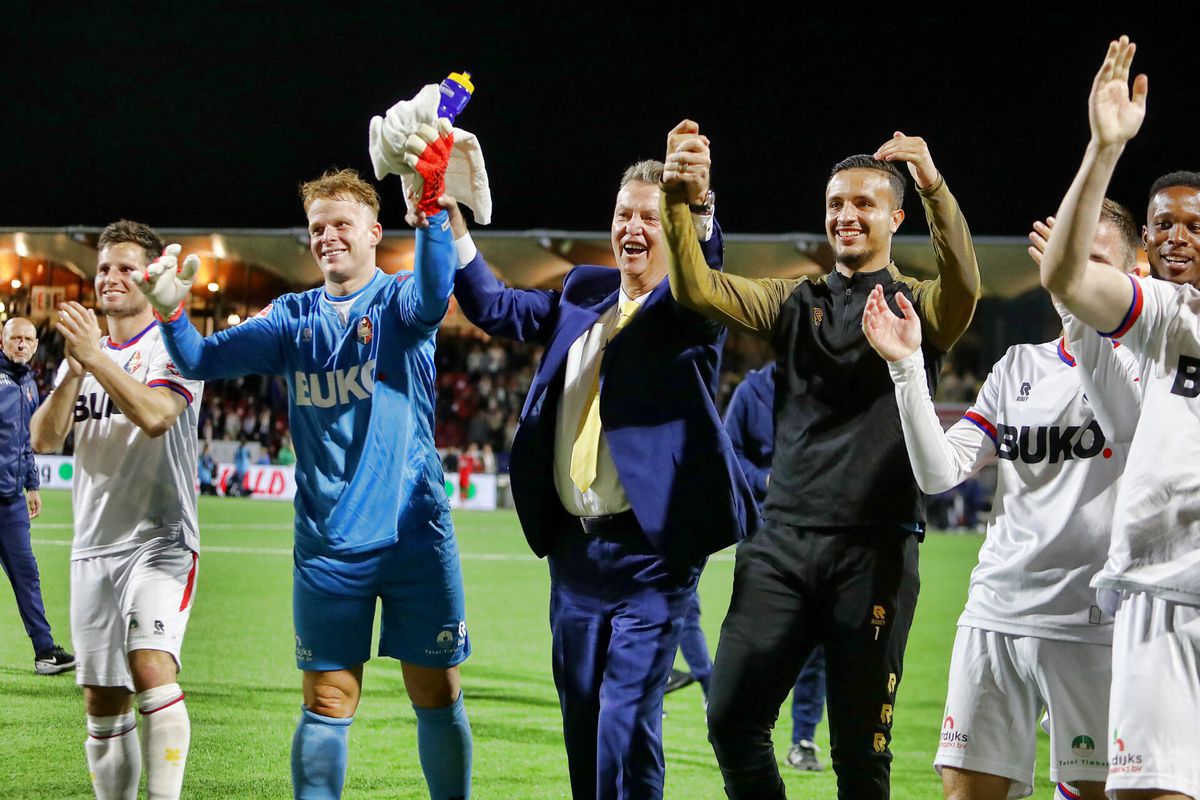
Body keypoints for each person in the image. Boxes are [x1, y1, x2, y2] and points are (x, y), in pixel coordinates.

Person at [135, 147, 472, 798]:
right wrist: (173, 313)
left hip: (416, 538)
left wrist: (430, 208)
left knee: (437, 692)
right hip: (327, 547)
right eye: (317, 226)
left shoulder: (400, 303)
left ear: (375, 233)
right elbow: (201, 359)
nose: (327, 236)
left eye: (341, 223)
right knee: (327, 699)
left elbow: (436, 291)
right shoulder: (292, 319)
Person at [663, 121, 980, 798]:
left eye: (864, 203)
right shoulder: (793, 301)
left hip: (875, 554)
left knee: (859, 755)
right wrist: (678, 201)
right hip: (780, 547)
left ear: (897, 217)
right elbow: (697, 288)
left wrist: (936, 189)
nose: (846, 215)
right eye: (837, 203)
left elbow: (964, 294)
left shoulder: (915, 306)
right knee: (730, 720)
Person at [449, 121, 758, 799]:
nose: (634, 229)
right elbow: (492, 304)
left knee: (623, 725)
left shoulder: (688, 307)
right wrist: (450, 218)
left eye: (652, 217)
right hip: (574, 556)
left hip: (652, 559)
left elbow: (705, 276)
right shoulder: (584, 291)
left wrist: (700, 208)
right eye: (624, 214)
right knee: (587, 730)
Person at [865, 197, 1142, 800]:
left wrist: (1076, 303)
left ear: (1134, 277)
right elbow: (941, 473)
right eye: (1068, 262)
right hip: (995, 612)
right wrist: (908, 368)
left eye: (1090, 263)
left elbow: (1118, 409)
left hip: (1093, 624)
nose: (1073, 276)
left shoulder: (1148, 368)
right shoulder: (1019, 364)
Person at [1038, 35, 1200, 800]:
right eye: (1164, 225)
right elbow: (1067, 276)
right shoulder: (1171, 317)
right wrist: (1103, 150)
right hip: (1164, 597)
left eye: (1194, 226)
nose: (1174, 239)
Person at [30, 220, 204, 800]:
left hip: (161, 539)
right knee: (102, 700)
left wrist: (95, 360)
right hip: (92, 546)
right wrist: (72, 373)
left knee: (151, 666)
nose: (111, 277)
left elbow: (156, 416)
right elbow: (44, 438)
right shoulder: (85, 354)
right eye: (104, 267)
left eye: (126, 267)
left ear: (151, 276)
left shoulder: (173, 344)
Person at [723, 361, 828, 773]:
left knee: (816, 649)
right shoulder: (752, 392)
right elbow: (729, 451)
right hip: (766, 534)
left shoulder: (829, 383)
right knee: (755, 642)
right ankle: (738, 727)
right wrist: (765, 480)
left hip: (820, 530)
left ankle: (803, 738)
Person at [0, 317, 74, 675]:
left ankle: (45, 652)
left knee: (28, 574)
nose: (22, 345)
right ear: (3, 340)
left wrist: (32, 485)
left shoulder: (29, 384)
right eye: (16, 338)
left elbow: (27, 444)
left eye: (28, 339)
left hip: (12, 501)